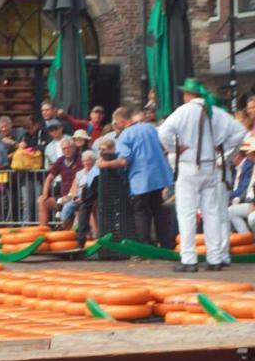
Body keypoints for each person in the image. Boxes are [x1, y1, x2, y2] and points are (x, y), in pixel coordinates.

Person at [159, 78, 247, 271]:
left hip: (189, 166)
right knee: (212, 213)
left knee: (187, 213)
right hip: (211, 167)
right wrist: (223, 150)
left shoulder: (183, 111)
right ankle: (215, 258)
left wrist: (176, 147)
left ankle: (189, 259)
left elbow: (163, 132)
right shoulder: (215, 111)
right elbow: (240, 132)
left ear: (188, 94)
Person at [102, 106, 174, 248]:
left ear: (122, 121)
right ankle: (166, 243)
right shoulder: (150, 128)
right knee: (158, 210)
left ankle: (145, 245)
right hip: (159, 176)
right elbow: (163, 147)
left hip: (140, 179)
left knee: (141, 212)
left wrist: (105, 164)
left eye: (116, 123)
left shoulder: (125, 135)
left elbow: (124, 160)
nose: (116, 126)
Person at [38, 138, 81, 226]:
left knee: (71, 213)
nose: (67, 150)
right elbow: (49, 177)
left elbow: (79, 180)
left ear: (74, 148)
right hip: (62, 197)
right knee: (42, 202)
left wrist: (69, 196)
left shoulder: (80, 159)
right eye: (64, 149)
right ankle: (42, 230)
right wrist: (45, 195)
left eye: (69, 148)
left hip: (76, 196)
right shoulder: (60, 161)